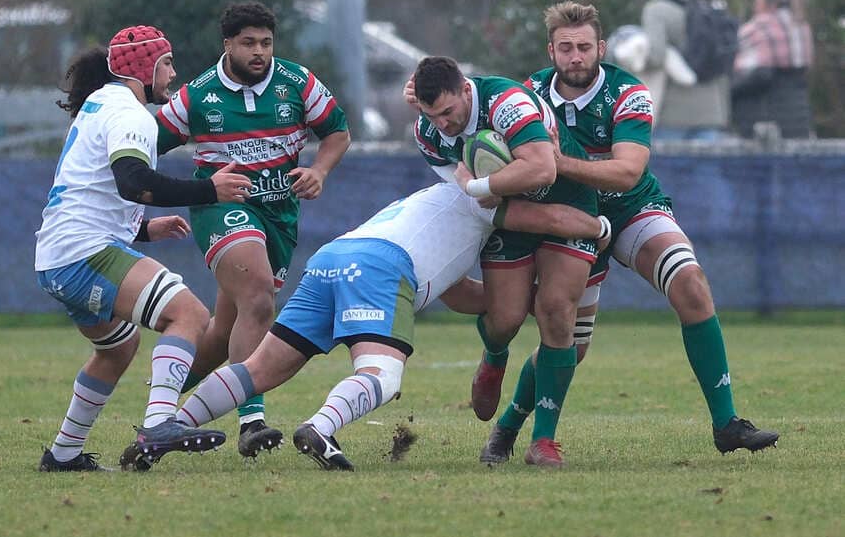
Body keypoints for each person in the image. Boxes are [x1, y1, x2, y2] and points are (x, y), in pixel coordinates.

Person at [478, 1, 778, 464]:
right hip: (572, 218)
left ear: (600, 48)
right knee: (568, 346)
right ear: (550, 51)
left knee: (692, 284)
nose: (575, 57)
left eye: (583, 47)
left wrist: (557, 163)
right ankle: (508, 428)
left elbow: (626, 173)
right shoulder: (529, 92)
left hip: (631, 208)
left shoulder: (628, 91)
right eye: (565, 48)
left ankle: (727, 423)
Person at [167, 180, 609, 471]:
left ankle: (169, 427)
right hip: (381, 266)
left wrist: (528, 303)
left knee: (259, 368)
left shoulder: (437, 202)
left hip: (334, 257)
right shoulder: (484, 195)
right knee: (382, 374)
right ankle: (321, 427)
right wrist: (601, 226)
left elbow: (458, 295)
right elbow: (552, 219)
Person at [35, 25, 251, 471]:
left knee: (117, 349)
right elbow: (133, 182)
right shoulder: (130, 114)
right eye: (167, 63)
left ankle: (63, 454)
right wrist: (209, 190)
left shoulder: (98, 105)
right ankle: (158, 424)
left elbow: (90, 194)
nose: (173, 74)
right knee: (189, 315)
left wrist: (145, 231)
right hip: (83, 253)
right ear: (145, 66)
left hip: (59, 254)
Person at [156, 1, 351, 460]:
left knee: (228, 327)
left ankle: (160, 407)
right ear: (227, 44)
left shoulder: (298, 83)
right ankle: (252, 421)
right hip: (223, 209)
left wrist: (319, 171)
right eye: (248, 43)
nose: (259, 51)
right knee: (260, 295)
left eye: (265, 42)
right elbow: (145, 147)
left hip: (279, 214)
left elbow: (338, 133)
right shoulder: (197, 96)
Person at [411, 56, 601, 467]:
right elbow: (477, 203)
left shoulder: (507, 103)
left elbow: (543, 170)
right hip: (509, 216)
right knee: (505, 319)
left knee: (555, 312)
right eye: (432, 115)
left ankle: (542, 439)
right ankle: (494, 355)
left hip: (568, 198)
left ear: (466, 89)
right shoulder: (427, 133)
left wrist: (476, 183)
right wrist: (481, 191)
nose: (443, 123)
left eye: (448, 112)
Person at [641, 0, 731, 140]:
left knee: (669, 171)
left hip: (673, 115)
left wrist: (634, 59)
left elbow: (656, 57)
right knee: (708, 171)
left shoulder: (656, 10)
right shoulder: (708, 9)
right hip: (712, 113)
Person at [732, 0, 814, 139]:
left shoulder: (757, 27)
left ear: (771, 5)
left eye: (758, 3)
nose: (755, 8)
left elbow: (747, 71)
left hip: (764, 121)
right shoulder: (802, 26)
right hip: (799, 116)